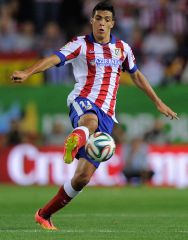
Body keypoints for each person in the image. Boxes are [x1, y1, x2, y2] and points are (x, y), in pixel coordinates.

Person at [11, 0, 179, 230]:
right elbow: (53, 59)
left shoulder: (122, 49)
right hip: (83, 100)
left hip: (108, 116)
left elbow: (137, 76)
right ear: (91, 20)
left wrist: (159, 102)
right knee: (89, 119)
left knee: (82, 178)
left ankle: (44, 214)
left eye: (106, 20)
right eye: (98, 18)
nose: (101, 23)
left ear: (113, 23)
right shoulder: (79, 44)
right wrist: (28, 72)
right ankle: (76, 138)